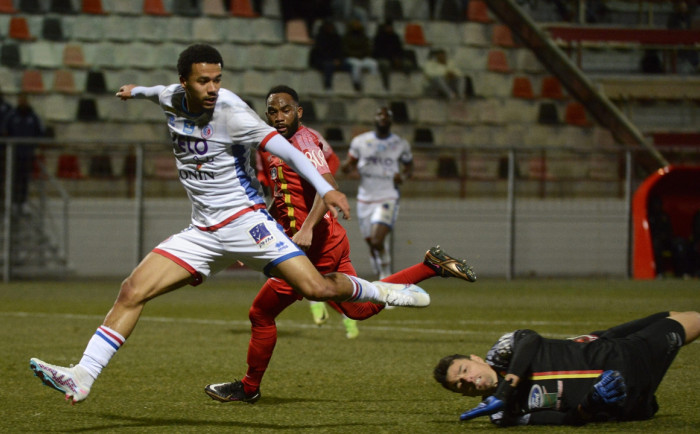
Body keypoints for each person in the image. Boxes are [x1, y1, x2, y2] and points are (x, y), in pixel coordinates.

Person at [28, 44, 430, 404]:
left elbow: (289, 151)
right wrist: (135, 91)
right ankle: (83, 375)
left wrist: (326, 189)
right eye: (203, 81)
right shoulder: (170, 97)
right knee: (132, 290)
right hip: (203, 232)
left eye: (217, 79)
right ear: (184, 81)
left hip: (247, 223)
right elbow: (156, 92)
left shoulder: (232, 112)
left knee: (317, 289)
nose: (212, 88)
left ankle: (379, 290)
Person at [204, 85, 477, 403]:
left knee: (261, 313)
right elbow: (282, 199)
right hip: (326, 242)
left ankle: (249, 388)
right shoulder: (273, 145)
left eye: (286, 110)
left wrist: (307, 229)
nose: (279, 117)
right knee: (359, 309)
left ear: (298, 112)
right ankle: (430, 266)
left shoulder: (304, 142)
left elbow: (328, 186)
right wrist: (256, 238)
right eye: (273, 112)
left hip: (313, 250)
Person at [433, 311, 700, 426]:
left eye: (464, 370)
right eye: (460, 385)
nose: (468, 380)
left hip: (624, 354)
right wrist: (589, 404)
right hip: (629, 402)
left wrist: (505, 391)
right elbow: (567, 420)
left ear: (476, 359)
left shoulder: (501, 352)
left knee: (686, 318)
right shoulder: (502, 417)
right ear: (463, 395)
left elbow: (530, 339)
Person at [341, 106, 413, 279]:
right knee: (371, 243)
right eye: (380, 114)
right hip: (365, 198)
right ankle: (381, 269)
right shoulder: (360, 142)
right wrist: (346, 166)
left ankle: (386, 275)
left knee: (377, 240)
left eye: (387, 115)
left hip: (388, 196)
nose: (383, 118)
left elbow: (409, 168)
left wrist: (402, 177)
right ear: (375, 118)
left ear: (391, 120)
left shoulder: (400, 144)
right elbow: (348, 165)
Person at [1, 92, 45, 211]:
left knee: (25, 179)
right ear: (18, 101)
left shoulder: (34, 117)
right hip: (14, 155)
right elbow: (5, 131)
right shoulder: (11, 116)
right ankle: (14, 202)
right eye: (21, 100)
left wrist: (34, 146)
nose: (23, 102)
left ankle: (24, 201)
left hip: (27, 154)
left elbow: (40, 133)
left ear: (27, 101)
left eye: (25, 100)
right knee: (14, 179)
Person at [372, 19, 413, 91]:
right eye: (388, 27)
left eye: (391, 27)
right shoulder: (379, 37)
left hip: (396, 58)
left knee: (408, 64)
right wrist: (392, 58)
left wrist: (398, 58)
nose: (389, 28)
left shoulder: (395, 37)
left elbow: (400, 50)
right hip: (383, 58)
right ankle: (386, 85)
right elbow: (378, 52)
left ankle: (407, 83)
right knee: (385, 65)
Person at [309, 19, 349, 91]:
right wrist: (332, 61)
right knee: (329, 66)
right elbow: (320, 52)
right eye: (328, 26)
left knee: (348, 66)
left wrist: (338, 60)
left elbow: (340, 50)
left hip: (335, 60)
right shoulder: (320, 38)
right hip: (322, 60)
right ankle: (328, 86)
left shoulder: (336, 37)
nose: (330, 28)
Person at [341, 19, 379, 92]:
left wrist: (363, 55)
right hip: (350, 58)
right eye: (355, 24)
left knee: (373, 64)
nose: (356, 26)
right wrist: (356, 54)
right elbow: (346, 50)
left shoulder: (364, 36)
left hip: (363, 57)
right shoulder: (347, 37)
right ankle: (357, 84)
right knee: (357, 65)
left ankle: (373, 82)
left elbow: (367, 49)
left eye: (358, 24)